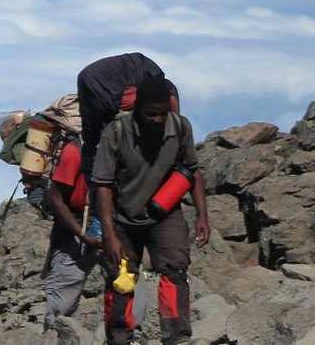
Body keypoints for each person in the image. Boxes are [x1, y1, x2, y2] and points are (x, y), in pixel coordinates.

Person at [92, 76, 209, 345]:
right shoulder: (116, 132)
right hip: (122, 218)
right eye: (151, 114)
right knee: (121, 280)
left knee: (175, 272)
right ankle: (121, 338)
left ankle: (177, 337)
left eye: (162, 113)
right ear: (137, 109)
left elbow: (192, 171)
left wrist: (203, 215)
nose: (157, 119)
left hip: (164, 216)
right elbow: (103, 184)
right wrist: (109, 233)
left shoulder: (179, 127)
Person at [43, 137, 101, 331]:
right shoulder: (75, 152)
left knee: (126, 287)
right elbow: (55, 197)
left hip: (107, 224)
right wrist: (81, 235)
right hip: (75, 229)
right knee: (61, 305)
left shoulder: (124, 146)